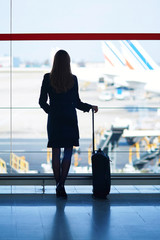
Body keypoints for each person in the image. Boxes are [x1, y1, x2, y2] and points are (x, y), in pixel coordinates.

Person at [39, 50, 98, 198]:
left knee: (55, 152)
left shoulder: (48, 78)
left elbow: (41, 101)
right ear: (68, 62)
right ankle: (62, 185)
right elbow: (77, 102)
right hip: (70, 119)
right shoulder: (73, 79)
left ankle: (58, 185)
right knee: (68, 154)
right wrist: (90, 107)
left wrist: (51, 111)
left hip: (55, 120)